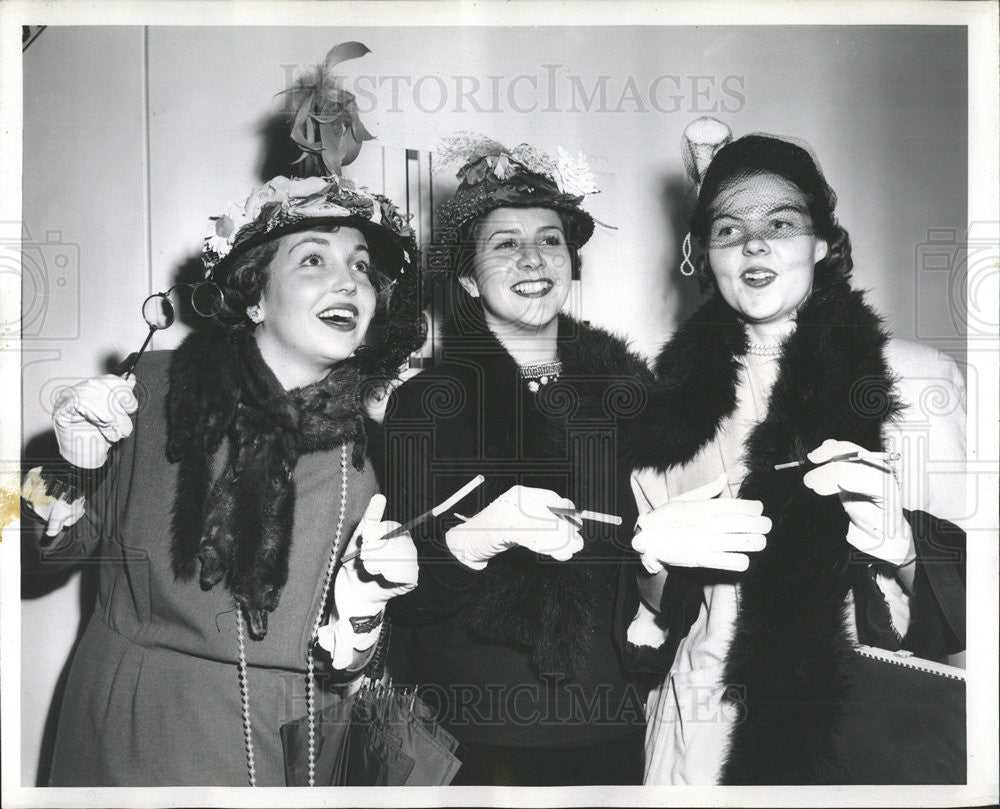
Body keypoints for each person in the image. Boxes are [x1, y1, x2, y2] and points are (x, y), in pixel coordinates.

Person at [372, 135, 766, 786]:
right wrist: (474, 537)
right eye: (505, 243)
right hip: (466, 736)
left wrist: (659, 566)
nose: (532, 257)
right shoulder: (425, 404)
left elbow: (659, 594)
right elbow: (403, 591)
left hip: (608, 728)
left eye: (550, 240)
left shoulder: (627, 392)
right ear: (468, 277)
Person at [20, 174, 427, 786]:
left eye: (362, 267)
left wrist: (364, 622)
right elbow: (32, 556)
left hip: (297, 743)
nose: (349, 281)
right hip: (139, 733)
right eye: (314, 258)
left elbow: (348, 666)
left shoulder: (376, 450)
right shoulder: (153, 391)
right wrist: (66, 466)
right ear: (255, 296)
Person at [626, 119, 967, 785]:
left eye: (780, 222)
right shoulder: (664, 411)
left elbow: (974, 599)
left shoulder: (915, 382)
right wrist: (650, 556)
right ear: (702, 253)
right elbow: (658, 608)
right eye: (727, 228)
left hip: (861, 736)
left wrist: (903, 549)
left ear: (822, 243)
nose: (752, 240)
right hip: (699, 740)